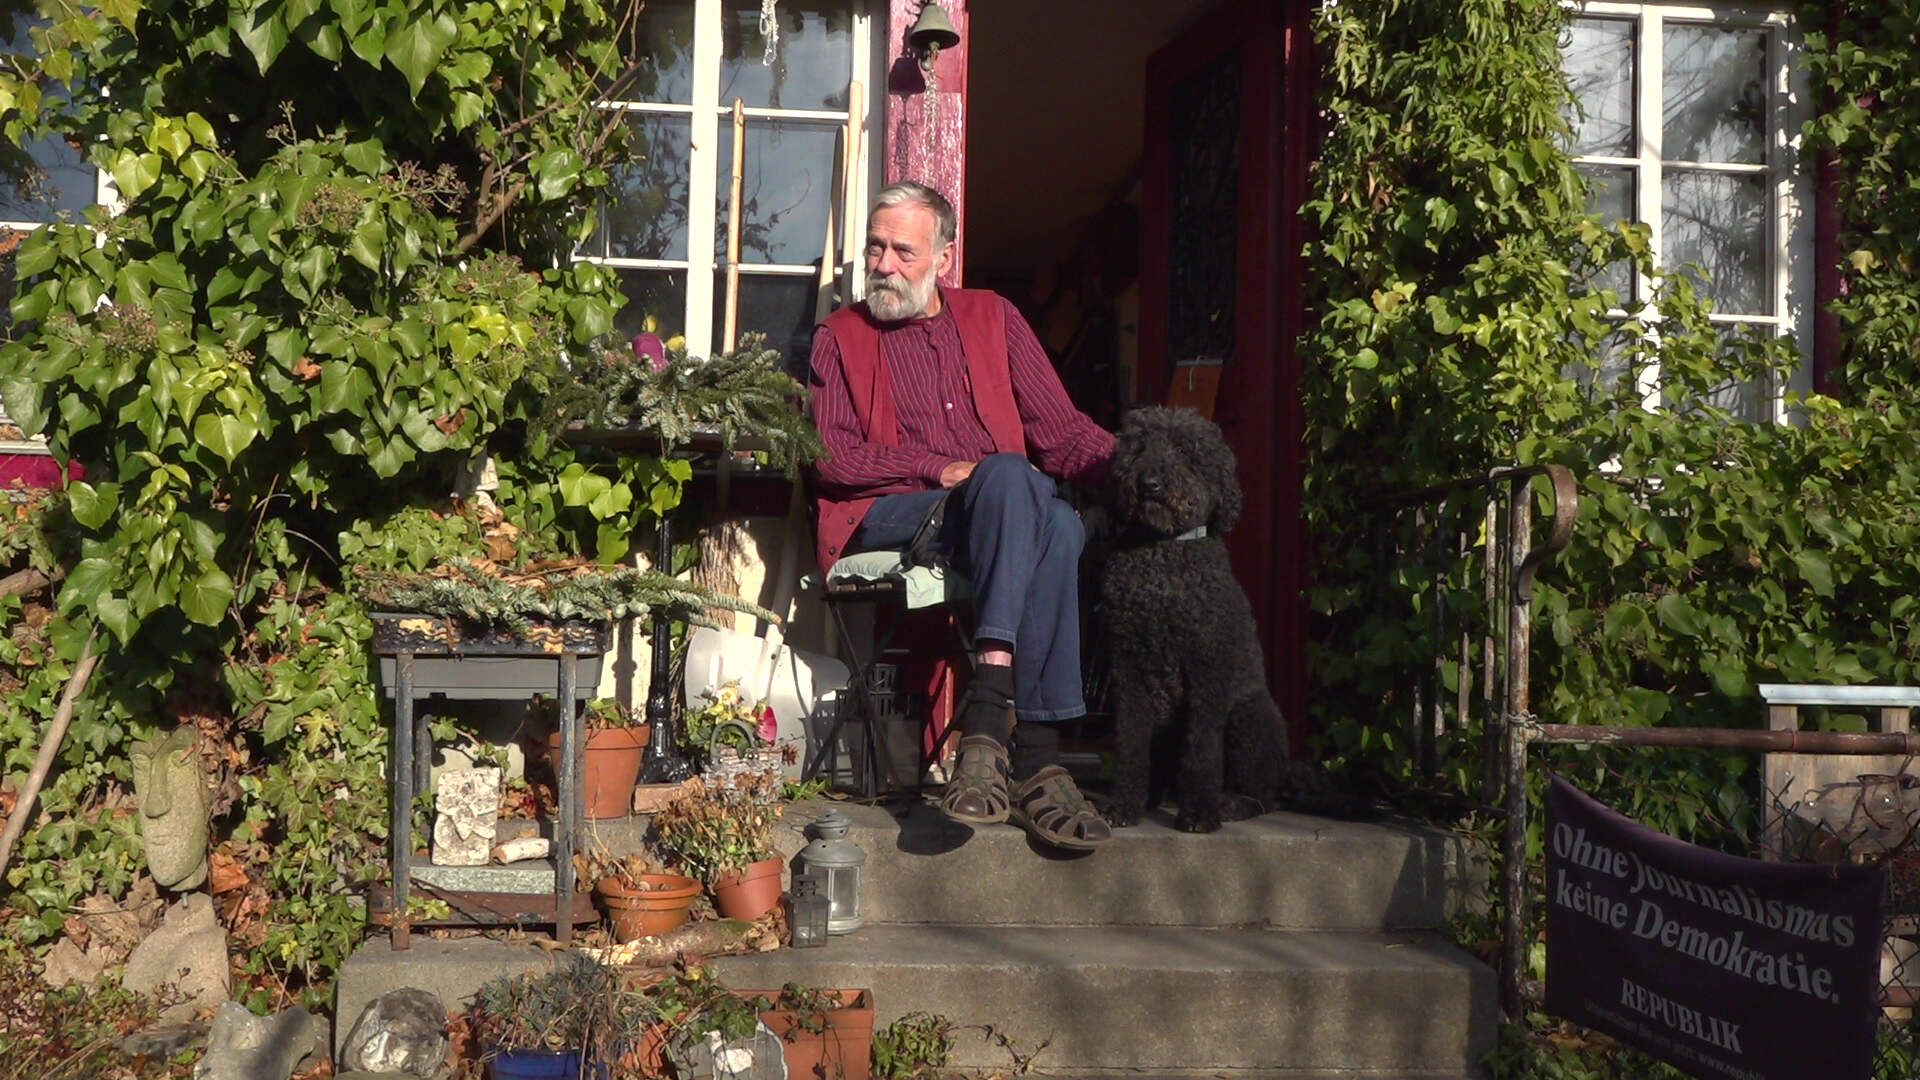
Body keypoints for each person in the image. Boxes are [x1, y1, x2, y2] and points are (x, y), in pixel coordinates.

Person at [806, 180, 1115, 851]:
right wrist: (935, 468)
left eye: (904, 252)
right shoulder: (840, 336)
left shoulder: (993, 317)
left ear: (943, 258)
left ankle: (1016, 750)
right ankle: (1023, 738)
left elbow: (1061, 431)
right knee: (1013, 479)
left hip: (995, 513)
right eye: (876, 247)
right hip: (887, 512)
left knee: (1052, 517)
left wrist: (1140, 466)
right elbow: (831, 459)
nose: (884, 265)